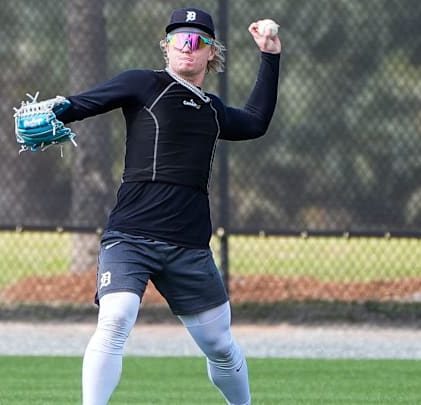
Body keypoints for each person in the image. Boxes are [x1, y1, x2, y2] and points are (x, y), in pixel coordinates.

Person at [56, 7, 281, 405]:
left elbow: (255, 122)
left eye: (196, 41)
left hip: (188, 246)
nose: (185, 48)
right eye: (177, 39)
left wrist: (269, 54)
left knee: (220, 346)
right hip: (130, 236)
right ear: (166, 47)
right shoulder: (145, 84)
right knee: (115, 318)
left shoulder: (212, 110)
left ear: (211, 53)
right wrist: (58, 108)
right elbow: (83, 103)